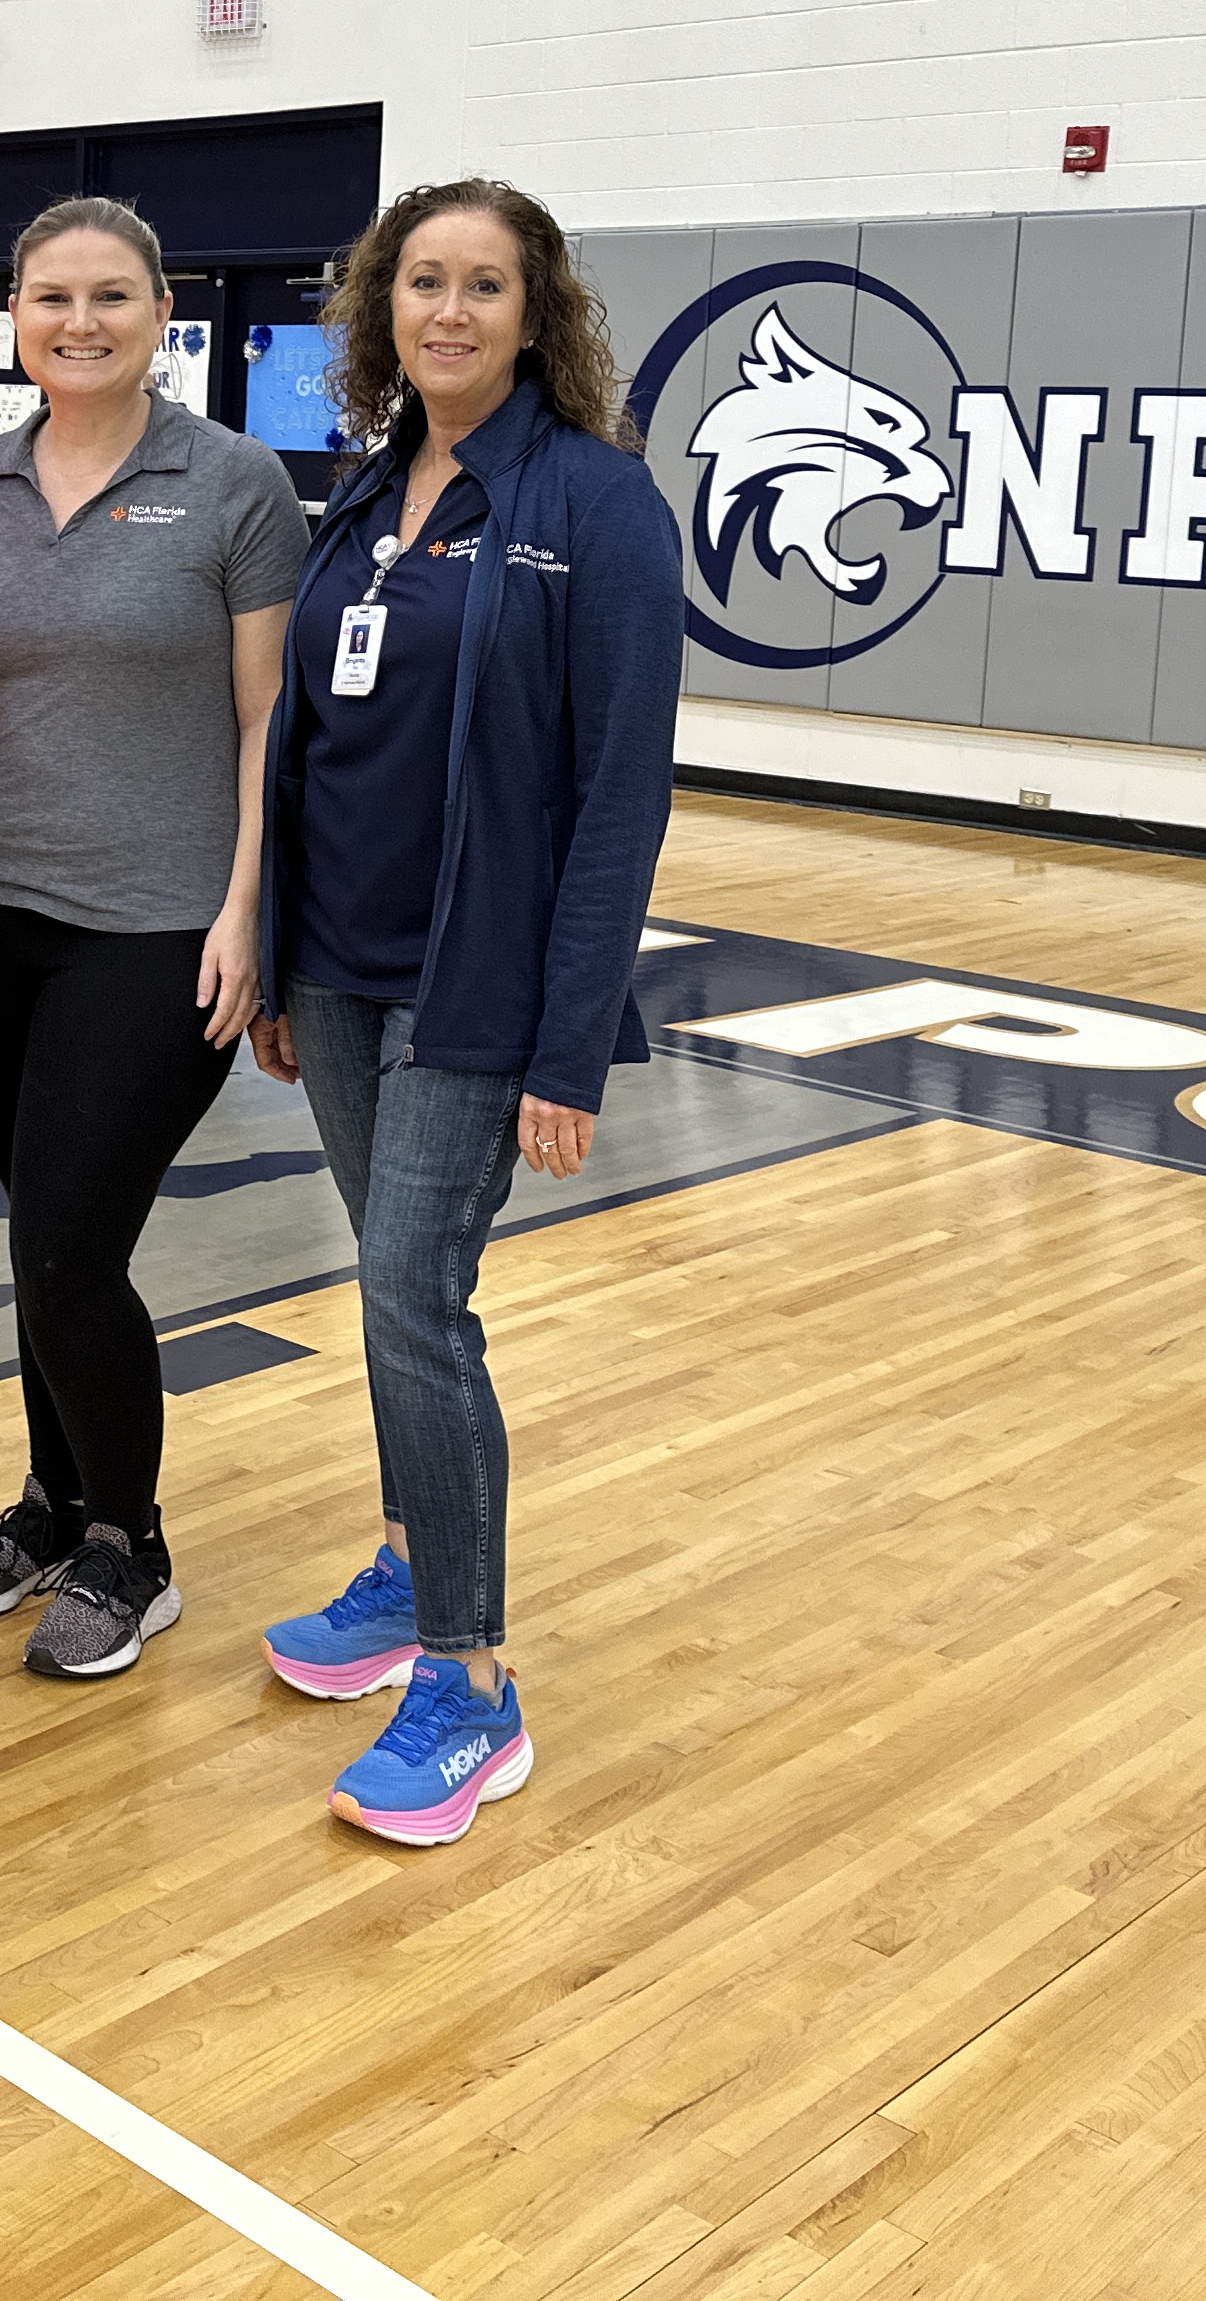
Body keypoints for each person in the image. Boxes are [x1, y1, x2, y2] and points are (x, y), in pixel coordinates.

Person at [248, 177, 682, 1844]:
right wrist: (287, 958)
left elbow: (615, 798)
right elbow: (313, 745)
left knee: (415, 1303)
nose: (448, 311)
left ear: (535, 310)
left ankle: (472, 1683)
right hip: (341, 975)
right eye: (421, 282)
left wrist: (567, 1042)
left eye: (483, 286)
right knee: (385, 1285)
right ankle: (415, 1558)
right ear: (381, 308)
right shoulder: (367, 492)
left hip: (475, 991)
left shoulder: (595, 503)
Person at [0, 197, 300, 1679]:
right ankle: (54, 1499)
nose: (81, 321)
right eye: (53, 297)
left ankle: (130, 1543)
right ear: (17, 314)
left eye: (113, 297)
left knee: (69, 1245)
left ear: (161, 315)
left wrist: (249, 910)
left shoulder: (234, 483)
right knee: (43, 1243)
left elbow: (272, 715)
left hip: (158, 931)